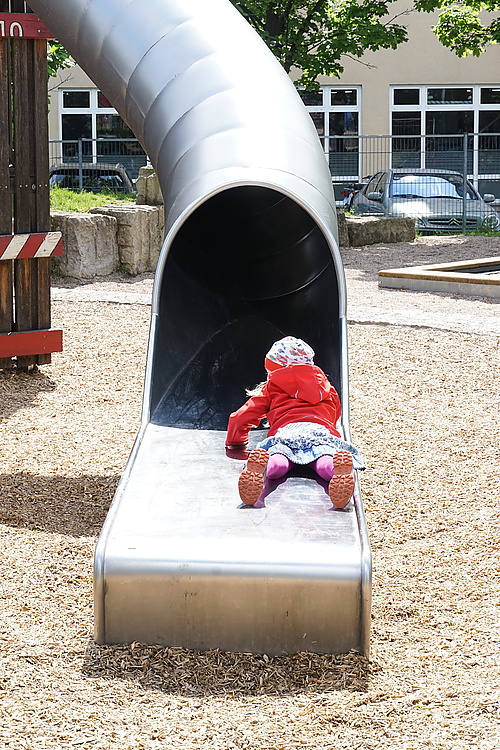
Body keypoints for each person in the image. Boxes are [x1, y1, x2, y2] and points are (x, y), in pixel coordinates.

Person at [225, 336, 365, 507]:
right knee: (323, 460)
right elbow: (335, 413)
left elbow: (243, 415)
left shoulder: (272, 387)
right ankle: (336, 470)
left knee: (279, 460)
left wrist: (236, 442)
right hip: (319, 432)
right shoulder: (326, 387)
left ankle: (264, 467)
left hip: (286, 432)